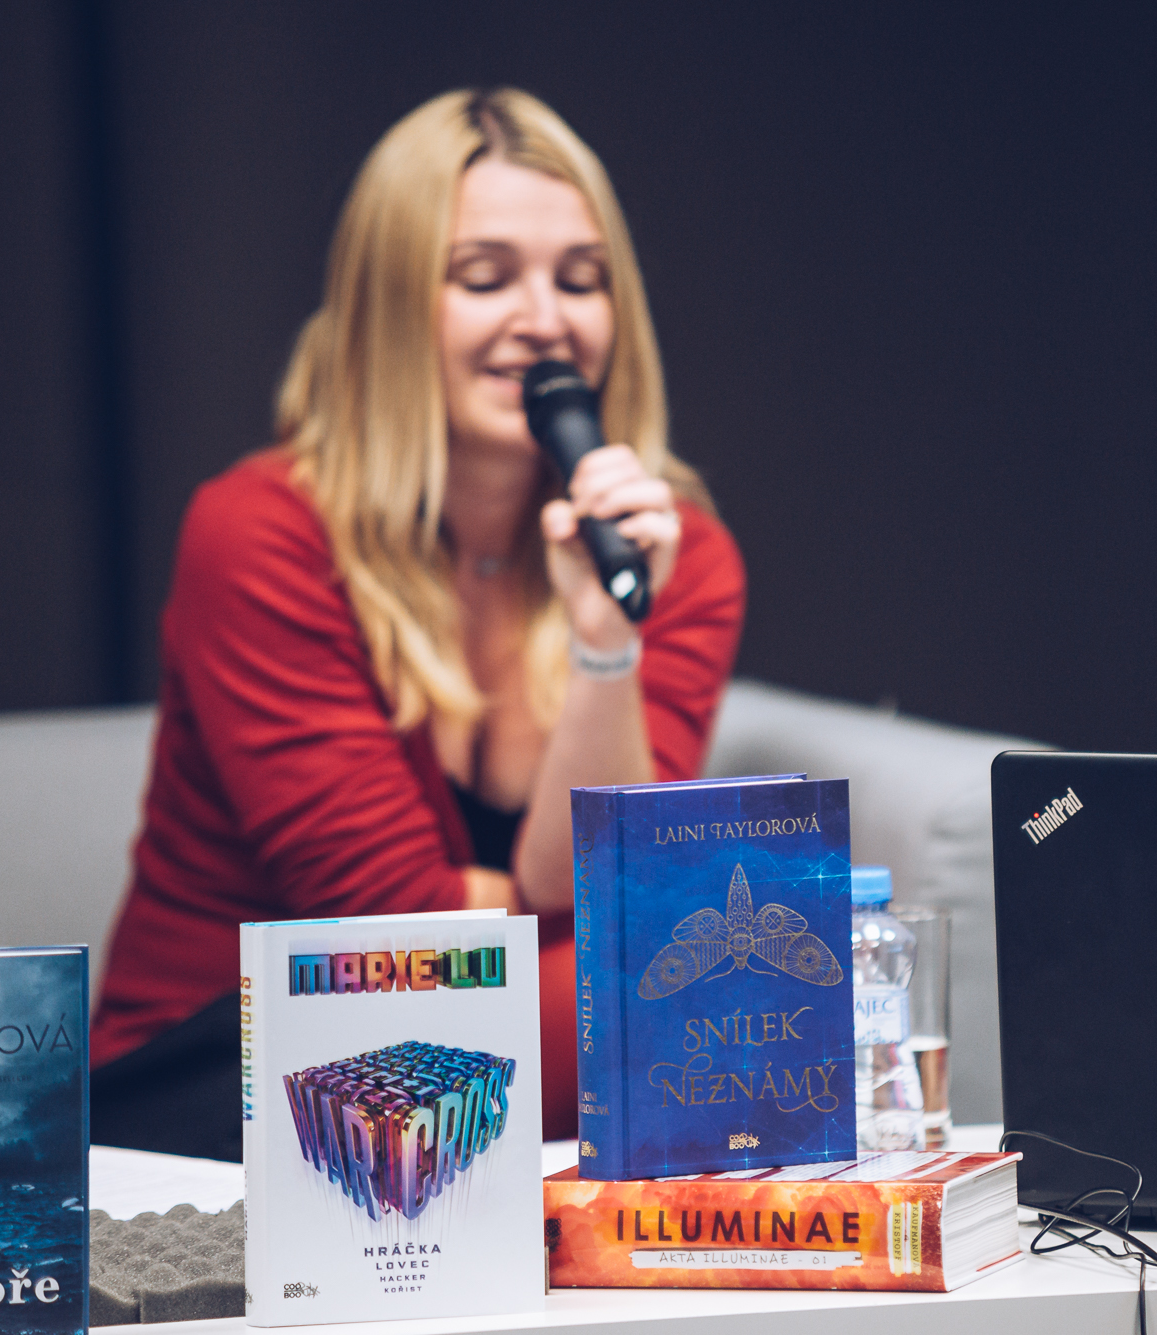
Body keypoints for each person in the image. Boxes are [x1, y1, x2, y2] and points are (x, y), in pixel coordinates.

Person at [88, 88, 745, 1159]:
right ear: (388, 309)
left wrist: (604, 645)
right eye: (484, 277)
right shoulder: (256, 534)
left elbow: (604, 888)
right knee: (688, 1003)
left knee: (697, 1002)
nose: (545, 319)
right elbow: (396, 926)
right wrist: (585, 928)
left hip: (462, 1085)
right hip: (220, 1073)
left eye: (581, 279)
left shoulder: (674, 553)